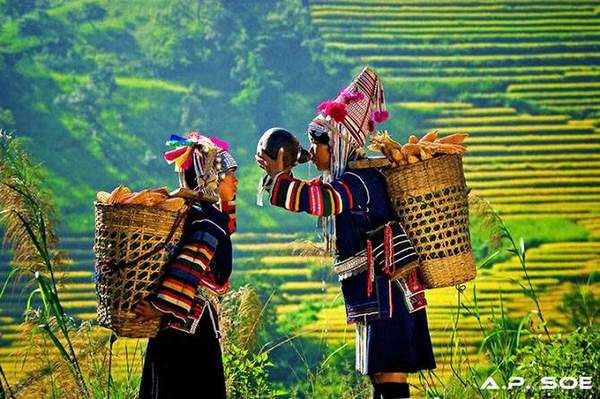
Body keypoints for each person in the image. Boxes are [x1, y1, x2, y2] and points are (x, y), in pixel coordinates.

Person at [256, 68, 436, 399]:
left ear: (336, 144)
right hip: (376, 290)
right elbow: (309, 194)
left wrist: (280, 175)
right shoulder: (348, 179)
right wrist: (278, 176)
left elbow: (319, 201)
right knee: (379, 374)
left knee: (389, 373)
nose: (312, 153)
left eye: (316, 145)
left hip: (388, 290)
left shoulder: (357, 181)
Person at [134, 132, 238, 399]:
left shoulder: (188, 212)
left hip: (170, 327)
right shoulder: (210, 220)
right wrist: (159, 307)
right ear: (211, 178)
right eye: (230, 175)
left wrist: (162, 309)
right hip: (191, 330)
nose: (236, 182)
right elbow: (190, 264)